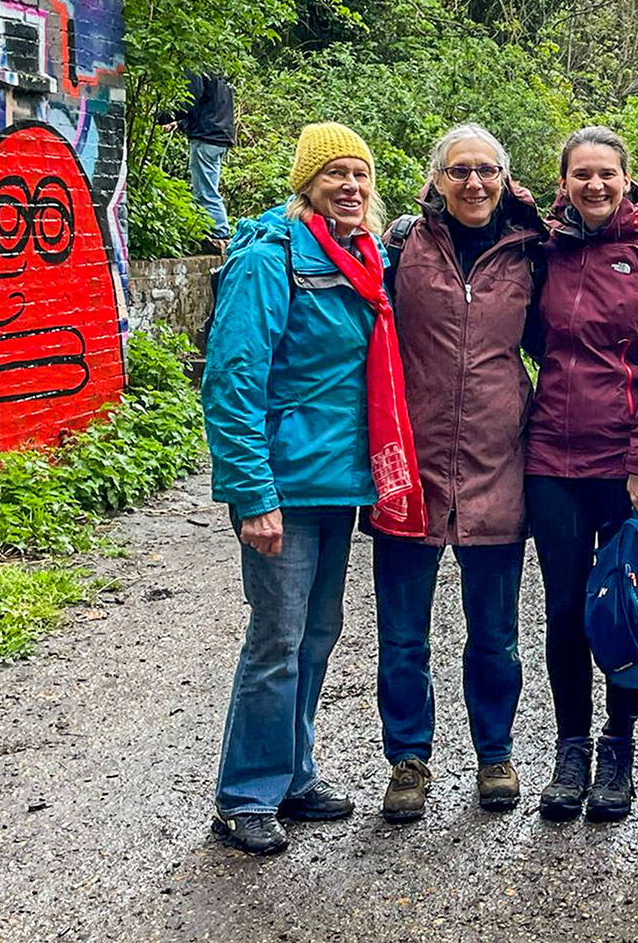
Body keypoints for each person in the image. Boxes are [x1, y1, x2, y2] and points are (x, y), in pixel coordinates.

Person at [201, 121, 412, 855]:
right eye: (334, 175)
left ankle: (292, 773)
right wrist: (251, 494)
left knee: (317, 635)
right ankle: (245, 795)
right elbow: (232, 379)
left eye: (360, 174)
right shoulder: (270, 257)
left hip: (338, 484)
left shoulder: (362, 257)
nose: (350, 186)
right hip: (283, 485)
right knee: (277, 639)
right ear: (306, 185)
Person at [372, 124, 548, 824]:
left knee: (496, 633)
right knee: (403, 634)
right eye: (459, 171)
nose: (474, 183)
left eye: (486, 171)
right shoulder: (401, 249)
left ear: (506, 179)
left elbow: (567, 341)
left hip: (497, 463)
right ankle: (409, 759)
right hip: (410, 469)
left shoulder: (533, 255)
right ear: (436, 181)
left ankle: (495, 752)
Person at [525, 126, 638, 825]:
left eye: (606, 174)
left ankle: (619, 746)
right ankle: (571, 748)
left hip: (627, 466)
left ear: (628, 180)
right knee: (564, 609)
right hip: (549, 458)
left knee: (623, 605)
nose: (594, 185)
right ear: (563, 183)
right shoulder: (546, 254)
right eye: (580, 175)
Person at [159, 72, 236, 246]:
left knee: (205, 191)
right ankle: (213, 231)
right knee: (209, 187)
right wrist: (179, 124)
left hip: (206, 138)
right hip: (220, 137)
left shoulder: (197, 69)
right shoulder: (220, 73)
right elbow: (208, 108)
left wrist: (163, 116)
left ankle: (218, 233)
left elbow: (188, 101)